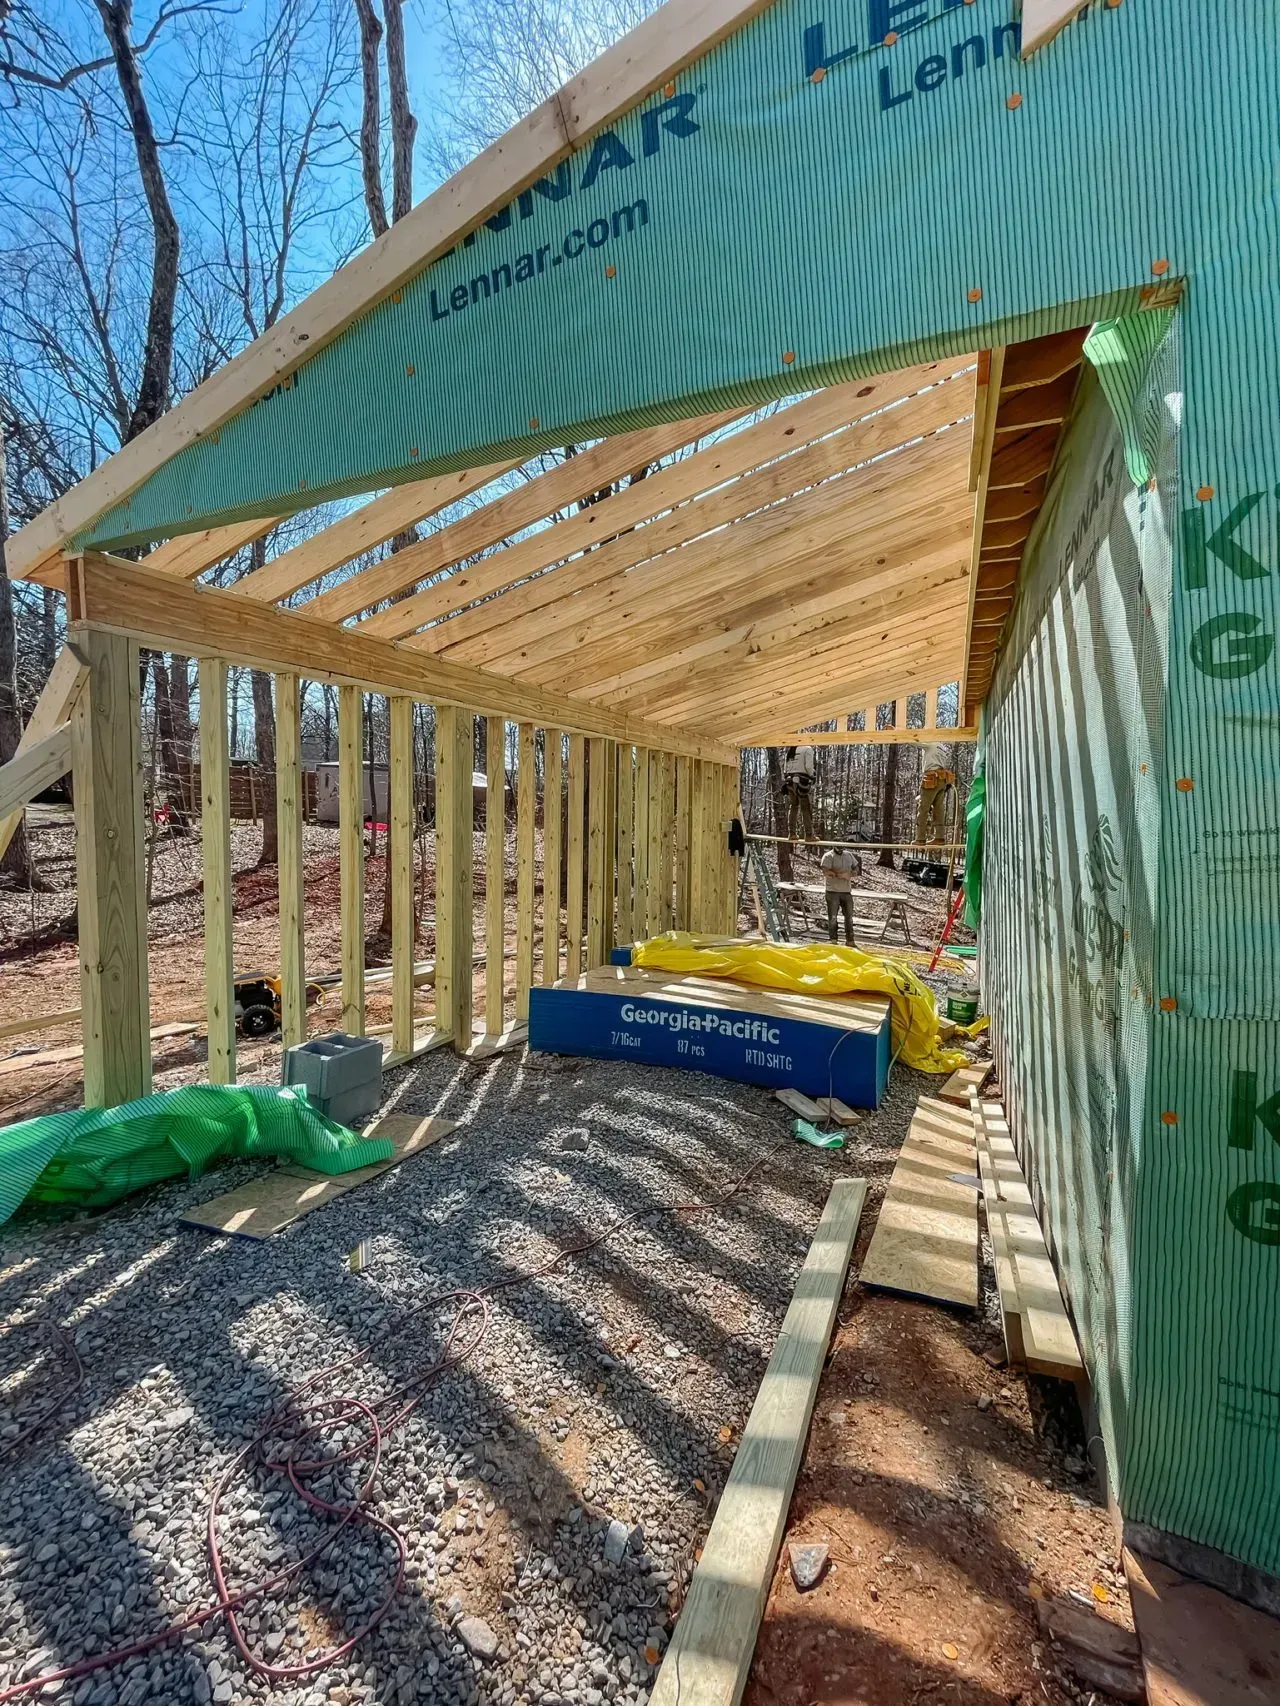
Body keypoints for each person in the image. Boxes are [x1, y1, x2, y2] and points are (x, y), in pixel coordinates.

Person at [916, 742, 957, 846]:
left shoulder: (930, 744)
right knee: (938, 809)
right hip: (942, 780)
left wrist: (895, 730)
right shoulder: (942, 747)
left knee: (923, 809)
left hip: (931, 778)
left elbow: (911, 740)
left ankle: (920, 838)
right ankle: (939, 837)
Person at [820, 843, 861, 944]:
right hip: (832, 891)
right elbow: (825, 871)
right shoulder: (828, 856)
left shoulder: (849, 855)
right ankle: (833, 939)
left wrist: (851, 874)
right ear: (834, 846)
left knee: (849, 917)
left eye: (842, 847)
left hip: (846, 891)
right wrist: (837, 874)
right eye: (839, 847)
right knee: (833, 917)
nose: (841, 850)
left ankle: (850, 940)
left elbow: (857, 869)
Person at [783, 742, 816, 843]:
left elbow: (785, 769)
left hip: (789, 781)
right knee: (805, 808)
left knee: (793, 806)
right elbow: (809, 767)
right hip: (801, 782)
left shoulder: (791, 750)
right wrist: (812, 776)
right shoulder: (807, 749)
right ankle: (809, 835)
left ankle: (792, 833)